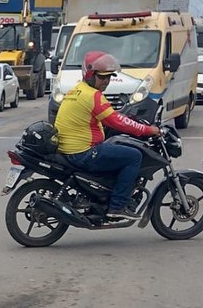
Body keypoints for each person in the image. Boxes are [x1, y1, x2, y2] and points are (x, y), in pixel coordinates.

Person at [54, 51, 161, 219]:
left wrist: (123, 117)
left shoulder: (77, 91)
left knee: (115, 146)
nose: (106, 81)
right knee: (134, 156)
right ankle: (117, 206)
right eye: (102, 77)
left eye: (109, 77)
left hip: (69, 149)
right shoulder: (93, 95)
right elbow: (115, 121)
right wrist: (147, 130)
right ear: (90, 74)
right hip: (83, 152)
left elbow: (108, 115)